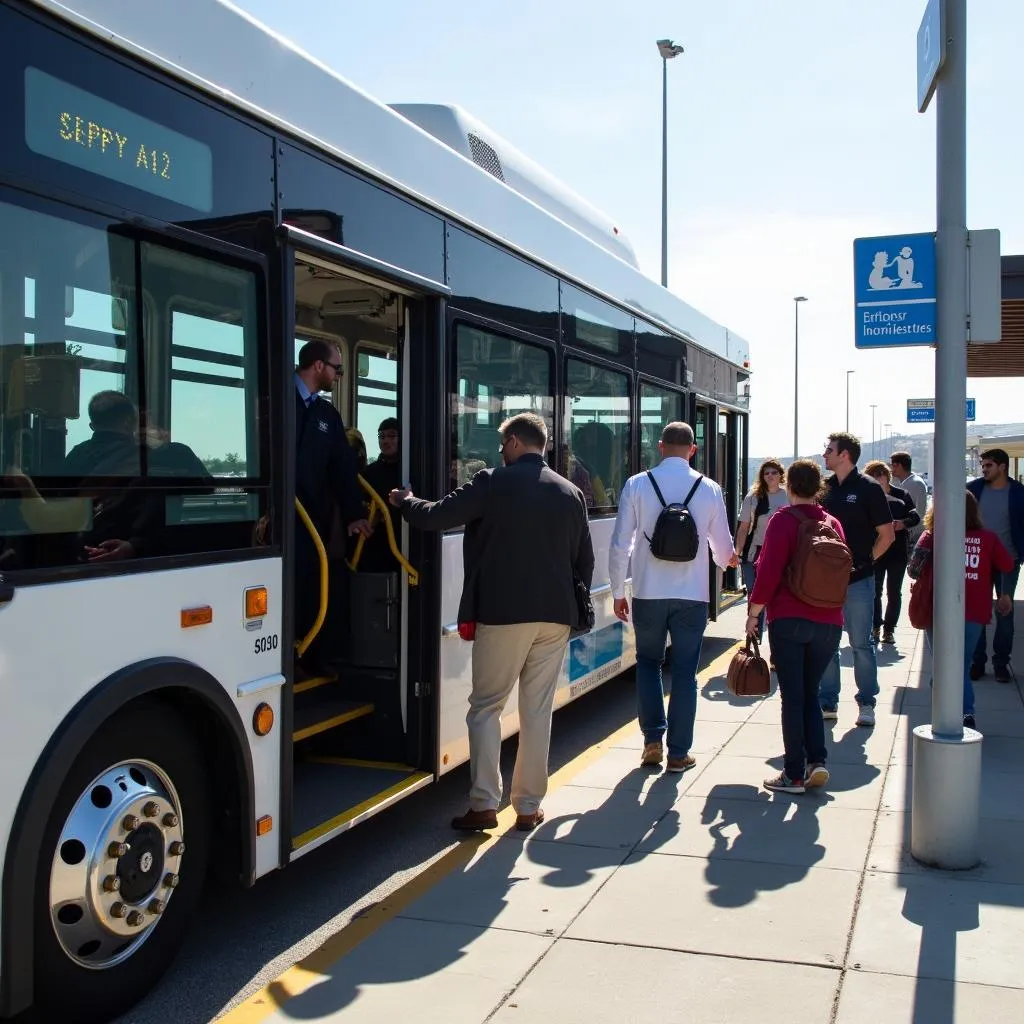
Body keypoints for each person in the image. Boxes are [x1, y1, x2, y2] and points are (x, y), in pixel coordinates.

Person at [389, 412, 594, 832]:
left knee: (486, 708)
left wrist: (404, 501)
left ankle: (484, 803)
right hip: (555, 617)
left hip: (502, 614)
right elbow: (583, 563)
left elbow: (434, 516)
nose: (501, 453)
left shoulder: (492, 482)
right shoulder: (571, 492)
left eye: (503, 446)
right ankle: (527, 807)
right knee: (537, 711)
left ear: (516, 443)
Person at [609, 422, 738, 773]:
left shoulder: (637, 484)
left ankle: (652, 739)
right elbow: (722, 550)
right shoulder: (709, 488)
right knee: (684, 673)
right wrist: (727, 559)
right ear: (693, 450)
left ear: (661, 446)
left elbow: (622, 544)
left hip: (649, 593)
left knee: (648, 664)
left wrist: (619, 591)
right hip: (692, 597)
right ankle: (678, 754)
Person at [745, 460, 845, 794]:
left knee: (793, 696)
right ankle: (817, 761)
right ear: (819, 487)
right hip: (829, 623)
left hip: (790, 620)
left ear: (789, 486)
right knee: (811, 693)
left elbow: (769, 572)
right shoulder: (833, 523)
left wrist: (753, 614)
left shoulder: (783, 521)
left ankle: (793, 774)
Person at [294, 340, 371, 670]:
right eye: (337, 368)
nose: (339, 375)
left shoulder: (327, 414)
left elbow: (342, 468)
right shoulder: (274, 398)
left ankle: (313, 657)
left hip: (314, 518)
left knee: (316, 584)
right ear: (318, 367)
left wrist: (354, 514)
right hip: (280, 517)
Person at [908, 491, 1014, 728]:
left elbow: (913, 570)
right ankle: (963, 713)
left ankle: (951, 713)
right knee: (961, 665)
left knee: (943, 665)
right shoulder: (988, 538)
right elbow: (1007, 564)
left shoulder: (933, 536)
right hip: (974, 611)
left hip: (939, 610)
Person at [818, 432, 895, 727]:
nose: (825, 454)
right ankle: (828, 701)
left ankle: (866, 702)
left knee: (861, 644)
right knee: (828, 644)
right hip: (825, 582)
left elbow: (887, 535)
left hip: (859, 581)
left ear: (845, 455)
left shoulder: (869, 488)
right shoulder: (824, 489)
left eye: (829, 450)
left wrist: (865, 562)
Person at [968, 448, 1024, 683]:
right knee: (978, 613)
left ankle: (1001, 663)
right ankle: (978, 662)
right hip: (979, 561)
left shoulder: (1019, 493)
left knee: (1004, 612)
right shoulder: (974, 490)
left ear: (1003, 466)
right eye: (983, 465)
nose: (984, 469)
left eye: (989, 465)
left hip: (1008, 561)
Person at [863, 460, 920, 645]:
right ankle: (875, 627)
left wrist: (902, 523)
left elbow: (915, 516)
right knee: (875, 592)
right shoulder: (868, 496)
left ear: (888, 476)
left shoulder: (902, 494)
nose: (878, 479)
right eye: (874, 476)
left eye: (881, 474)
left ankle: (889, 629)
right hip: (877, 550)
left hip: (897, 550)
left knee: (894, 592)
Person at [733, 459, 789, 644]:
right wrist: (737, 551)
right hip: (754, 553)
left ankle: (777, 649)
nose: (770, 476)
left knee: (776, 599)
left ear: (781, 474)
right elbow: (743, 528)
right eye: (767, 473)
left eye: (774, 472)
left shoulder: (788, 496)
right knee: (755, 596)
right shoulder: (753, 497)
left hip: (779, 554)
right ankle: (753, 642)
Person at [359, 418, 402, 572]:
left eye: (392, 436)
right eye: (382, 436)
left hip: (403, 540)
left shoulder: (410, 471)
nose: (386, 441)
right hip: (374, 542)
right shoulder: (368, 473)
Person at [889, 451, 928, 546]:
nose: (890, 469)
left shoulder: (916, 484)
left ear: (899, 466)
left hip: (910, 540)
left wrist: (911, 538)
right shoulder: (896, 481)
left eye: (892, 465)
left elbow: (919, 513)